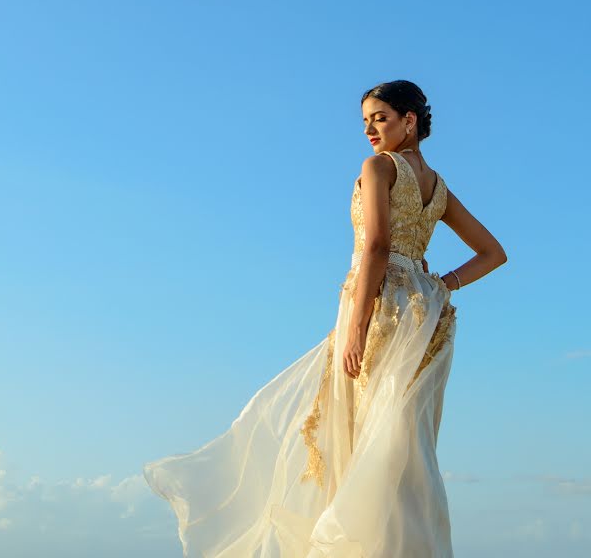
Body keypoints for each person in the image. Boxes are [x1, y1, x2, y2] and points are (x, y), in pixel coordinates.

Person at [142, 80, 508, 557]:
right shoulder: (438, 187)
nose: (370, 130)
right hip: (425, 320)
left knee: (363, 438)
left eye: (380, 118)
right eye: (365, 122)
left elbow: (376, 246)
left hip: (378, 310)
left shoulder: (378, 167)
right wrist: (442, 284)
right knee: (403, 445)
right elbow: (492, 253)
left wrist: (355, 329)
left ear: (410, 120)